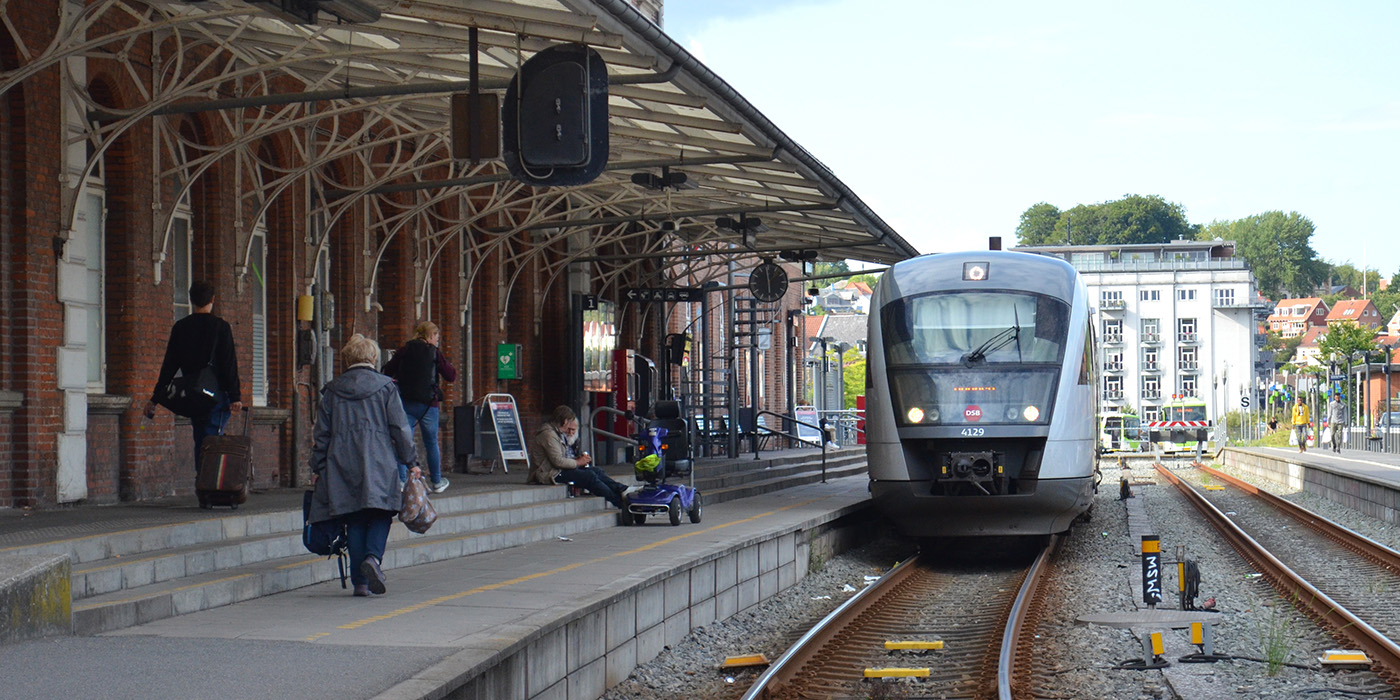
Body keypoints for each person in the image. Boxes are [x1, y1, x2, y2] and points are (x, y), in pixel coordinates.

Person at [308, 334, 418, 597]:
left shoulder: (332, 391)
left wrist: (318, 467)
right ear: (373, 358)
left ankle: (360, 582)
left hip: (341, 462)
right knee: (381, 512)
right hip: (379, 460)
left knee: (354, 517)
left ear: (347, 359)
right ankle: (373, 559)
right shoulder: (386, 387)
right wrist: (411, 461)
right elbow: (400, 428)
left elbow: (321, 434)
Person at [143, 280, 243, 480]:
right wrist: (235, 396)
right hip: (217, 394)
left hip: (193, 395)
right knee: (211, 438)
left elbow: (169, 365)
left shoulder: (181, 327)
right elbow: (229, 364)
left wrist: (155, 397)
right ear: (213, 300)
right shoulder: (221, 327)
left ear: (191, 300)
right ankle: (209, 482)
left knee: (202, 437)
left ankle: (205, 480)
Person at [383, 322, 458, 493]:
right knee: (431, 442)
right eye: (437, 337)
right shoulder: (434, 353)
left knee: (403, 441)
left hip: (406, 403)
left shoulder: (404, 351)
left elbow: (387, 371)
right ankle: (437, 482)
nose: (437, 340)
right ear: (430, 336)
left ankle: (402, 482)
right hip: (428, 406)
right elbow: (451, 375)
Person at [527, 405, 629, 512]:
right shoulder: (548, 435)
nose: (569, 429)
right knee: (588, 476)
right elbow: (558, 461)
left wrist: (578, 460)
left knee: (596, 471)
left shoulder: (556, 433)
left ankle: (621, 489)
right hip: (550, 473)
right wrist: (578, 462)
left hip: (558, 470)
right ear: (565, 421)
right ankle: (619, 501)